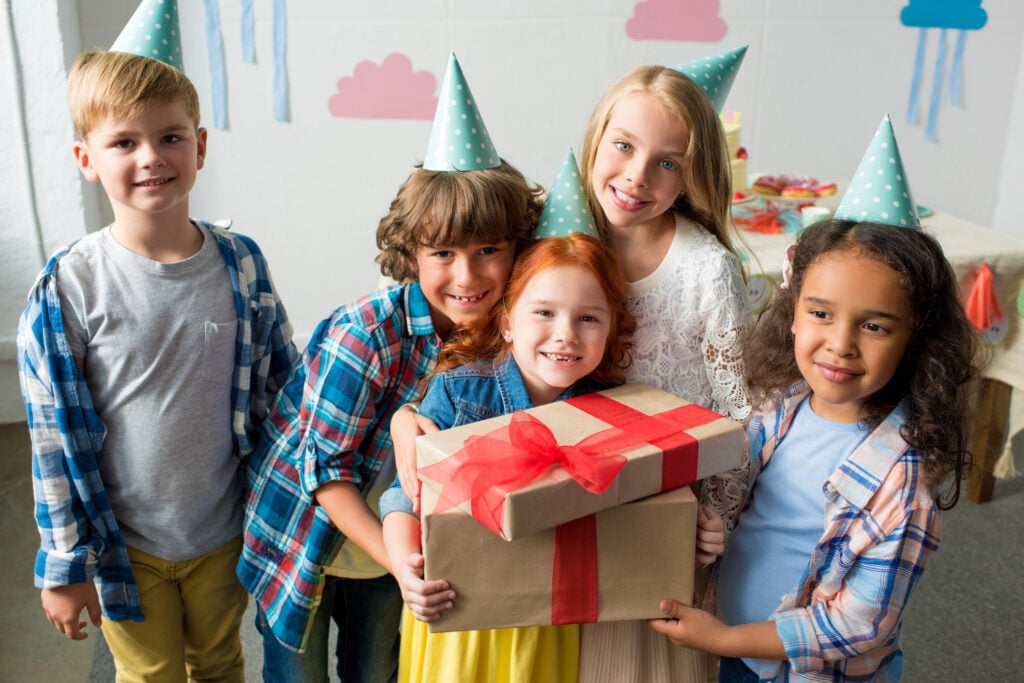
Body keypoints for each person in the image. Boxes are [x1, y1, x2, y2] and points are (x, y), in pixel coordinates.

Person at [238, 50, 544, 683]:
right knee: (297, 672)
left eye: (490, 250)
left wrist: (403, 564)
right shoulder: (367, 335)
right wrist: (396, 560)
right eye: (444, 253)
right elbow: (326, 473)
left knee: (376, 667)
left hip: (400, 538)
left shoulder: (511, 333)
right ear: (410, 251)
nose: (468, 276)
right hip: (310, 531)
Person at [650, 117, 981, 681]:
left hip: (804, 671)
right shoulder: (779, 406)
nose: (840, 345)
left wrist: (727, 638)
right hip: (732, 648)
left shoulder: (902, 485)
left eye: (874, 326)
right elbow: (747, 506)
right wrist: (713, 528)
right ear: (793, 309)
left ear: (918, 338)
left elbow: (857, 626)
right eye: (821, 313)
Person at [16, 28, 297, 683]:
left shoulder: (241, 264)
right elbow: (53, 443)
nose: (151, 157)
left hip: (222, 528)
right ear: (87, 159)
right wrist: (63, 562)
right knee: (150, 674)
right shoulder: (68, 289)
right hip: (127, 541)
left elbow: (282, 391)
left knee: (220, 659)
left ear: (200, 146)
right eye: (124, 142)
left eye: (170, 136)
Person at [379, 232, 637, 682]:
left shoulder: (612, 409)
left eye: (589, 318)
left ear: (612, 327)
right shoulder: (459, 393)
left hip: (553, 614)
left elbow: (639, 497)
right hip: (460, 611)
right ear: (506, 323)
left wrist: (693, 525)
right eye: (543, 312)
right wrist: (405, 568)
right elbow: (405, 496)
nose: (566, 335)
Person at [576, 51, 754, 681]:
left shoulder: (707, 272)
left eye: (666, 162)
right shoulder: (557, 233)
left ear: (691, 177)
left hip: (669, 519)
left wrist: (719, 517)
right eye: (622, 146)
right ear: (597, 139)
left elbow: (742, 413)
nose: (636, 175)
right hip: (569, 503)